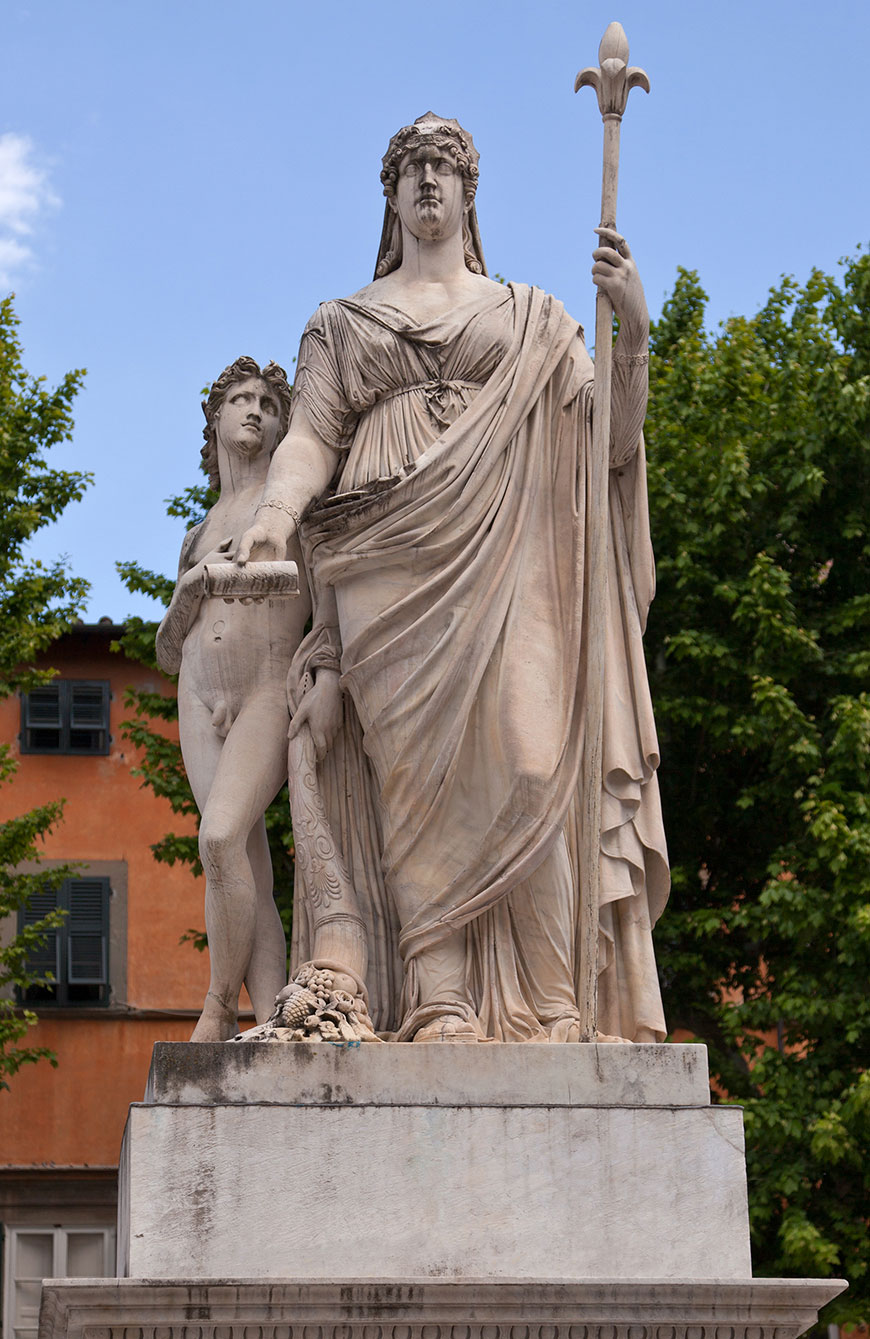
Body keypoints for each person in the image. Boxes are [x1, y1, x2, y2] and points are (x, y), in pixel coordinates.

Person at [237, 114, 669, 1043]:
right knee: (409, 778)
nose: (429, 180)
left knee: (530, 757)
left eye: (445, 166)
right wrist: (274, 516)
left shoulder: (537, 319)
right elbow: (311, 437)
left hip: (511, 552)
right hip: (381, 552)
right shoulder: (343, 323)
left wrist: (632, 323)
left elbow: (612, 445)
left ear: (470, 193)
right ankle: (437, 996)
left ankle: (552, 1002)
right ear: (391, 196)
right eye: (412, 168)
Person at [156, 357, 310, 1041]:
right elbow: (166, 647)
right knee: (242, 859)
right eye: (241, 400)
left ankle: (218, 1005)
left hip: (266, 687)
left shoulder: (292, 506)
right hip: (197, 689)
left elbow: (315, 602)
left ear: (282, 427)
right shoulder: (196, 530)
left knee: (217, 836)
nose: (255, 410)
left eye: (269, 404)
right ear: (215, 420)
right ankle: (275, 1014)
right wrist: (193, 587)